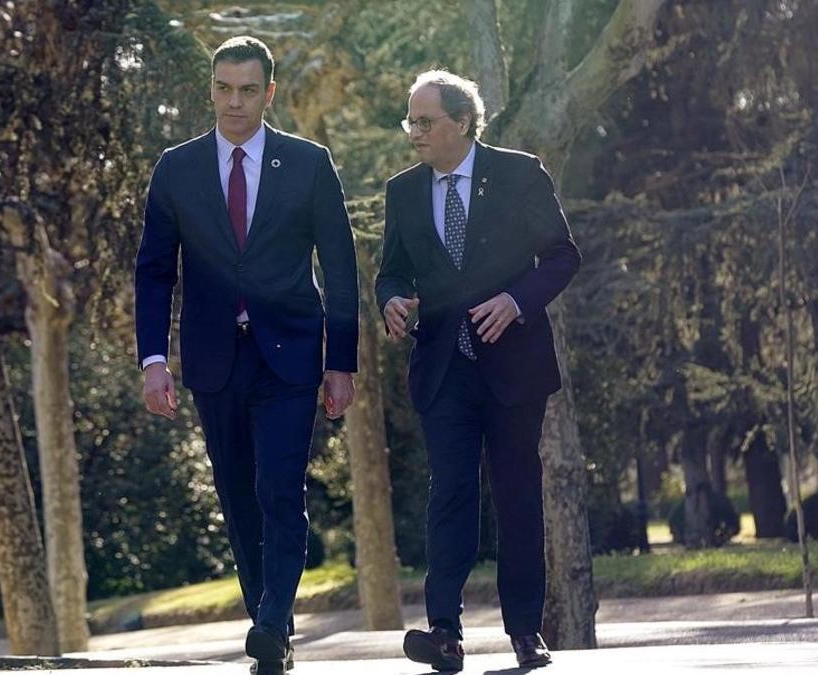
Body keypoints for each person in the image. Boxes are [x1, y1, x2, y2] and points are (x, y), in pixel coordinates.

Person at [133, 36, 358, 675]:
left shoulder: (309, 164)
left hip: (289, 356)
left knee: (279, 489)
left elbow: (340, 270)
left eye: (248, 89)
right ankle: (273, 624)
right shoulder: (176, 168)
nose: (235, 102)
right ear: (211, 89)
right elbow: (153, 271)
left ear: (269, 93)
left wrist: (341, 363)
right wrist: (154, 359)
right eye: (224, 88)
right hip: (212, 359)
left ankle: (269, 625)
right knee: (237, 496)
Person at [375, 70, 581, 670]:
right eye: (410, 121)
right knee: (452, 494)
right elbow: (393, 271)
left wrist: (517, 300)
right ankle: (444, 631)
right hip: (443, 367)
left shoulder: (519, 173)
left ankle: (525, 631)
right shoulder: (403, 191)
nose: (413, 132)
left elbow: (563, 255)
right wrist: (388, 298)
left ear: (461, 123)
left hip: (514, 364)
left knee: (517, 494)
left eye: (424, 121)